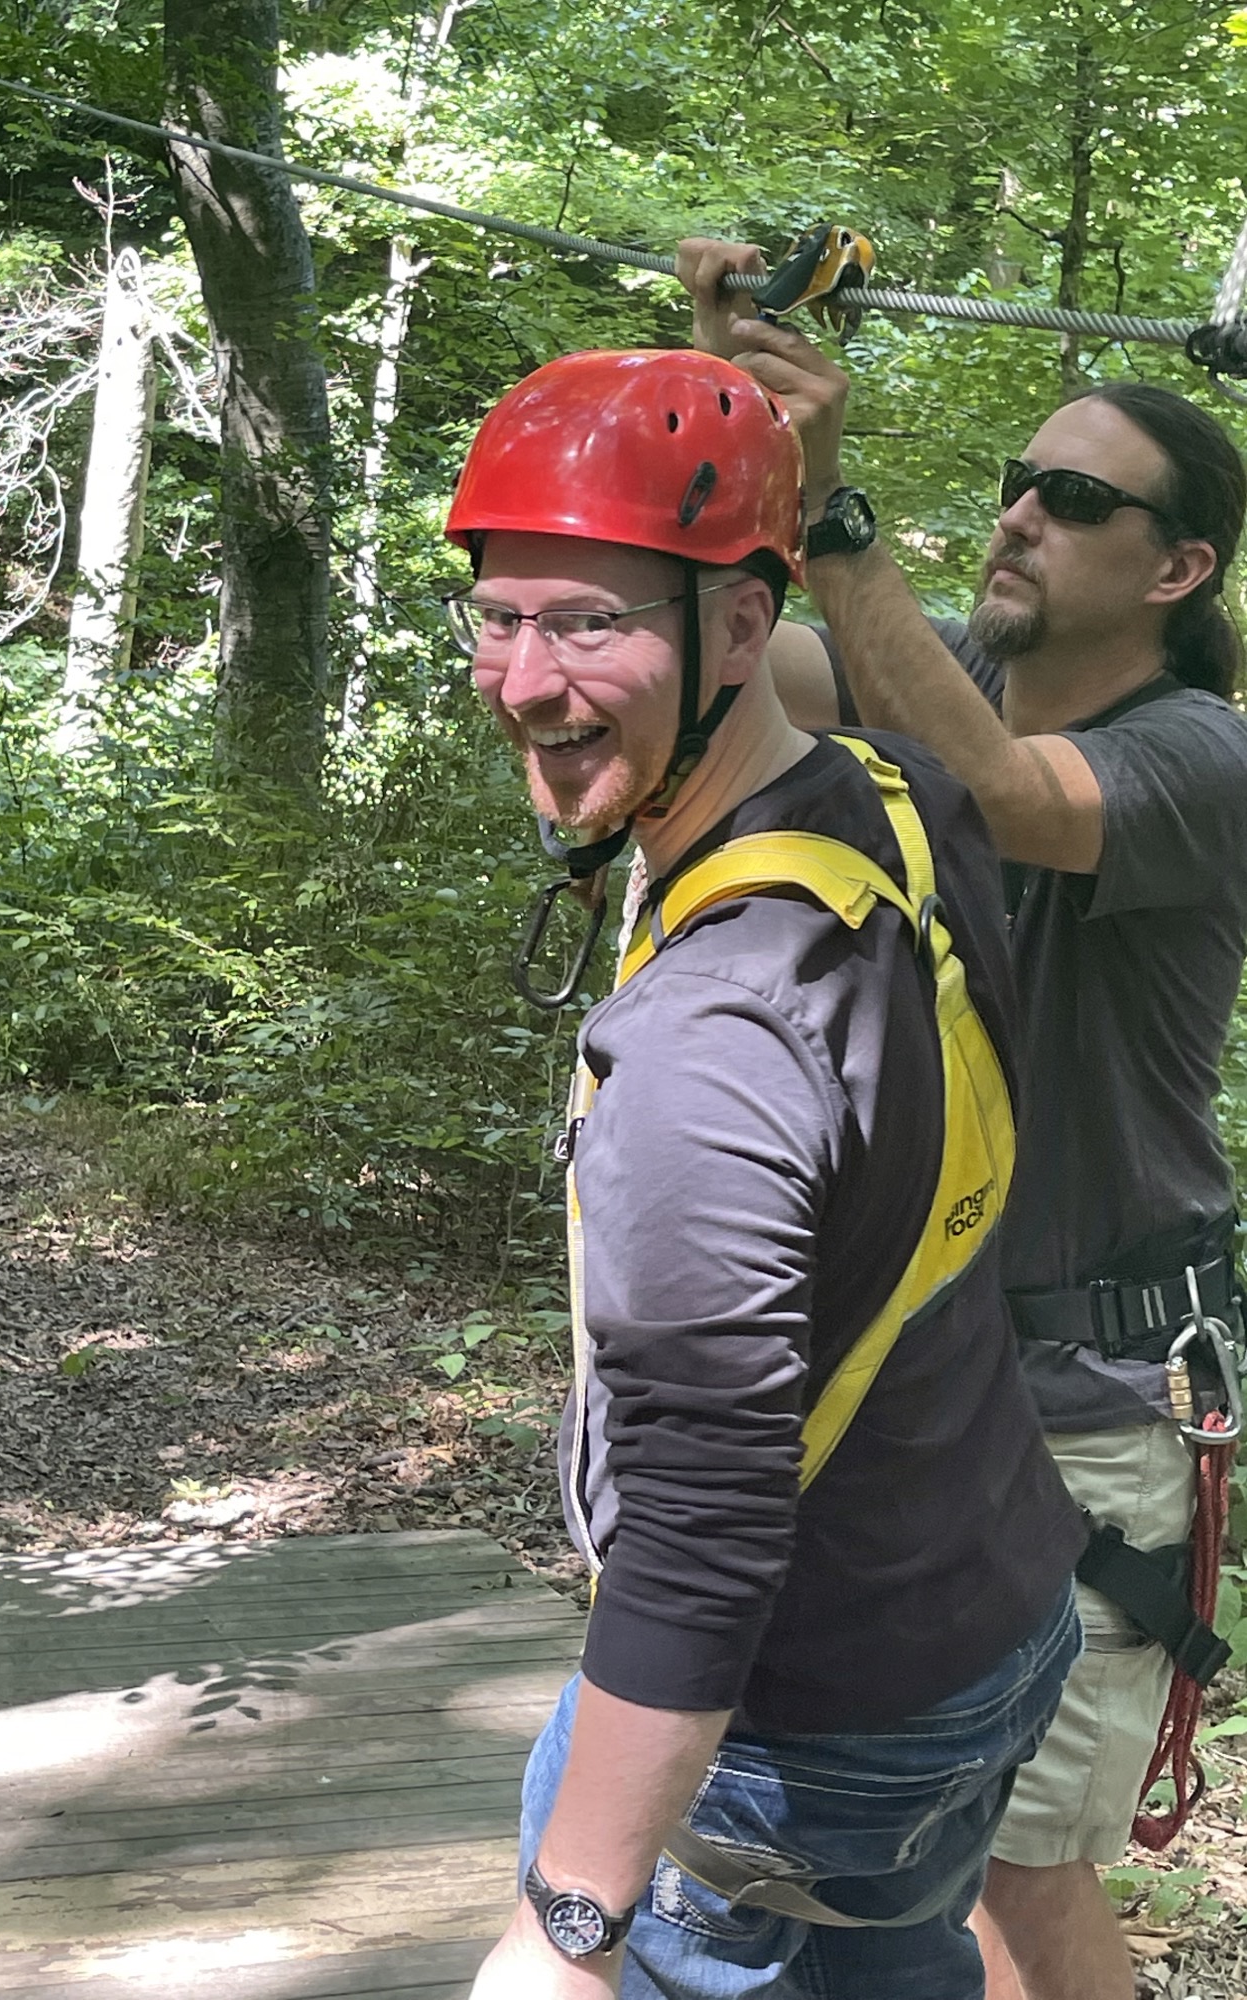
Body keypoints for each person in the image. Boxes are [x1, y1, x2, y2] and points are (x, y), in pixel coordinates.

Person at [443, 345, 1084, 2000]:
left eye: (588, 620)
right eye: (500, 615)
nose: (523, 677)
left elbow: (705, 1521)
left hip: (799, 1704)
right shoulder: (903, 800)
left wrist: (570, 1922)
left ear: (740, 625)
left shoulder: (708, 1045)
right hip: (992, 1600)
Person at [680, 236, 1247, 2000]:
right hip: (921, 1386)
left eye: (1071, 497)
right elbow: (724, 659)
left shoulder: (1203, 755)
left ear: (1179, 569)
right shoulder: (928, 670)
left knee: (1020, 1870)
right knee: (918, 1839)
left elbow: (1010, 801)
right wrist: (738, 410)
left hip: (1097, 1402)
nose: (1016, 515)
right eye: (1014, 483)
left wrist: (843, 526)